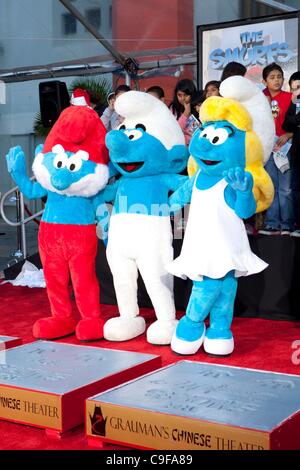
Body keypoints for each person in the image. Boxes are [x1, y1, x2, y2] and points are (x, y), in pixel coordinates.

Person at [259, 63, 293, 235]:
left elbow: (296, 120)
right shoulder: (259, 97)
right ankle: (272, 223)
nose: (276, 80)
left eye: (279, 77)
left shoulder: (290, 97)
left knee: (285, 188)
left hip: (285, 148)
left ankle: (287, 223)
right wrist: (263, 104)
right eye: (272, 78)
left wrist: (289, 133)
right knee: (271, 185)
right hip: (267, 147)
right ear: (264, 81)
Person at [283, 71, 300, 237]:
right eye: (294, 88)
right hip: (296, 153)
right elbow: (287, 124)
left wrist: (295, 121)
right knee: (295, 189)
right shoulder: (294, 104)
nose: (297, 92)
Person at [169, 78, 197, 145]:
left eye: (186, 95)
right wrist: (185, 114)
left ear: (192, 94)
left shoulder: (197, 107)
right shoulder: (173, 108)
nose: (182, 98)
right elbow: (175, 130)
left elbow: (197, 133)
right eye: (179, 95)